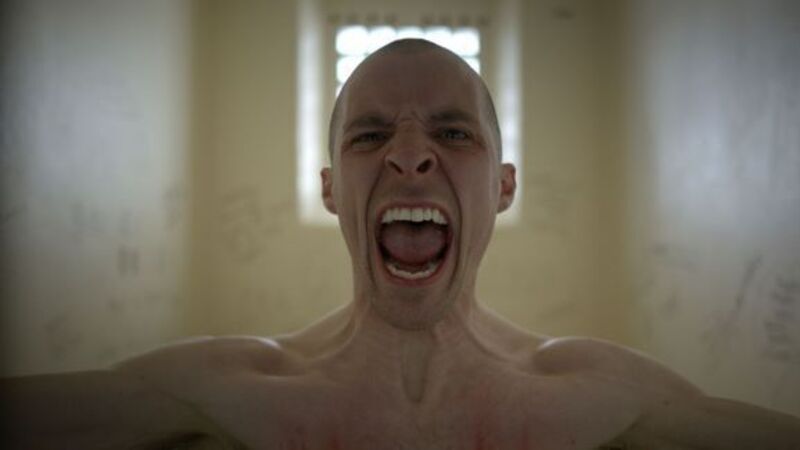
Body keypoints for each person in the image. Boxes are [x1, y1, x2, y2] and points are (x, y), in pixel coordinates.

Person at [3, 39, 800, 450]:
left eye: (453, 133)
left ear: (503, 187)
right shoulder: (222, 388)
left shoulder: (601, 393)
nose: (411, 155)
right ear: (329, 190)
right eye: (370, 135)